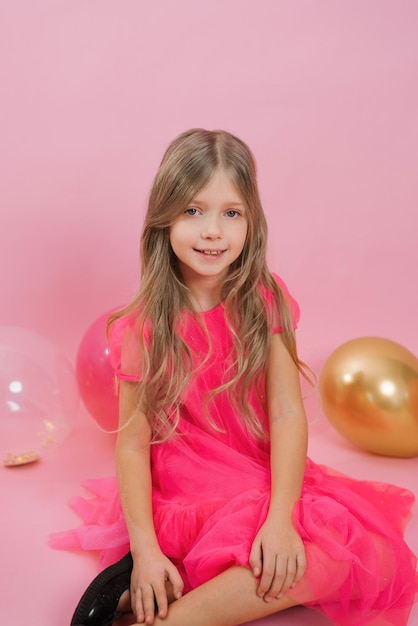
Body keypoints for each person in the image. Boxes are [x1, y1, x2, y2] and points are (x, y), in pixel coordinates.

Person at [51, 129, 418, 626]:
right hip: (189, 483)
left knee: (371, 552)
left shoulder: (264, 297)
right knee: (289, 555)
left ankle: (155, 596)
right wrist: (146, 549)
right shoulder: (143, 327)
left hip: (259, 469)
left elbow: (287, 414)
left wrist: (282, 520)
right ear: (164, 219)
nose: (212, 232)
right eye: (193, 211)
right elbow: (133, 446)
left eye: (231, 213)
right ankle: (166, 605)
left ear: (251, 221)